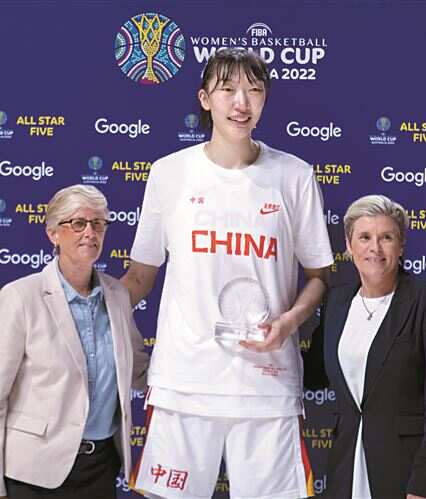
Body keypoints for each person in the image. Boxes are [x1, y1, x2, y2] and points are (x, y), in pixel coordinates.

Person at [121, 48, 333, 499]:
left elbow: (319, 276)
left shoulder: (294, 175)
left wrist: (288, 322)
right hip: (183, 383)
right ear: (205, 98)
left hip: (267, 384)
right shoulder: (169, 173)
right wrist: (86, 308)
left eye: (254, 91)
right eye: (228, 89)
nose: (241, 103)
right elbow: (139, 277)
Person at [0, 185, 149, 499]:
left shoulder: (118, 296)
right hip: (33, 471)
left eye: (98, 224)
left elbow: (140, 372)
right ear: (53, 233)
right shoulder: (21, 297)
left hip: (101, 468)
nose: (90, 232)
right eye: (78, 223)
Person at [304, 195, 426, 499]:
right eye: (364, 237)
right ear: (349, 246)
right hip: (347, 470)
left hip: (409, 475)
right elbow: (312, 374)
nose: (375, 248)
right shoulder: (337, 302)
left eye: (386, 238)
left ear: (401, 246)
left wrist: (424, 486)